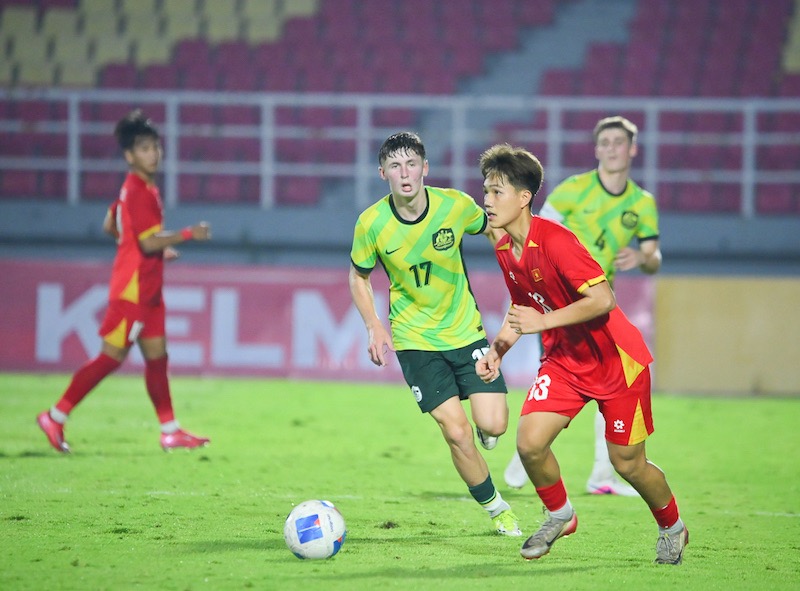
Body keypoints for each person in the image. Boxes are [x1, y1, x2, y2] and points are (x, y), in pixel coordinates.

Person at [476, 143, 687, 564]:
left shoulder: (557, 240)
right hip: (565, 363)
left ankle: (672, 526)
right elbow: (524, 310)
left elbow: (603, 298)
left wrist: (543, 323)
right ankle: (560, 514)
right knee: (530, 443)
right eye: (486, 191)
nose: (487, 200)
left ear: (524, 198)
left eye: (497, 192)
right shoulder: (505, 249)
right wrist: (498, 350)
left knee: (628, 465)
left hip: (616, 363)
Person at [349, 131, 521, 537]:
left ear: (425, 168)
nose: (404, 173)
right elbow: (358, 277)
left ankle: (485, 425)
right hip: (415, 341)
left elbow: (493, 227)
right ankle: (498, 509)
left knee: (494, 426)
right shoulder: (371, 223)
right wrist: (374, 325)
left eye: (411, 164)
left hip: (466, 332)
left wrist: (515, 267)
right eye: (395, 166)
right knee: (455, 431)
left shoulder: (455, 206)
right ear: (382, 173)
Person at [503, 116, 662, 497]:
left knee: (611, 385)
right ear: (596, 149)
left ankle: (600, 474)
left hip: (598, 305)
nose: (611, 148)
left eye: (618, 142)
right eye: (604, 142)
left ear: (632, 149)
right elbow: (536, 232)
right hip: (559, 304)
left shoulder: (642, 203)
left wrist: (642, 257)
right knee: (565, 378)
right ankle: (525, 456)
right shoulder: (573, 191)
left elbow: (654, 255)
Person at [37, 109, 212, 453]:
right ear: (129, 156)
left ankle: (170, 431)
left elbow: (111, 225)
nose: (154, 154)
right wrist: (189, 234)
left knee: (158, 356)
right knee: (110, 358)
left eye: (156, 147)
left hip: (149, 292)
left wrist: (145, 248)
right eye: (145, 149)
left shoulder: (137, 189)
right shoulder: (138, 190)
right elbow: (147, 241)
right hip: (132, 292)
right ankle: (56, 416)